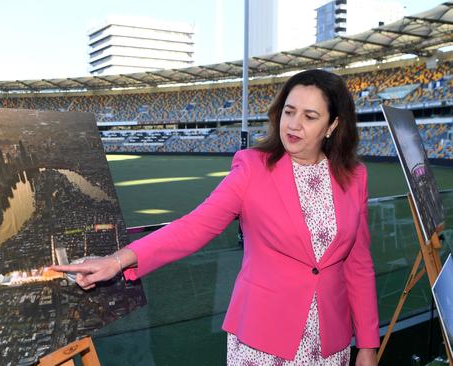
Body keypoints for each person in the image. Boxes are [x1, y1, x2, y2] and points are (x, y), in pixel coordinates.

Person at [52, 69, 379, 366]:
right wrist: (118, 260)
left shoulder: (354, 177)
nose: (293, 125)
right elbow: (195, 226)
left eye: (310, 116)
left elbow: (358, 264)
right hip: (262, 340)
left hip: (329, 344)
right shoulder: (252, 168)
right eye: (289, 112)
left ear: (332, 125)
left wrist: (367, 343)